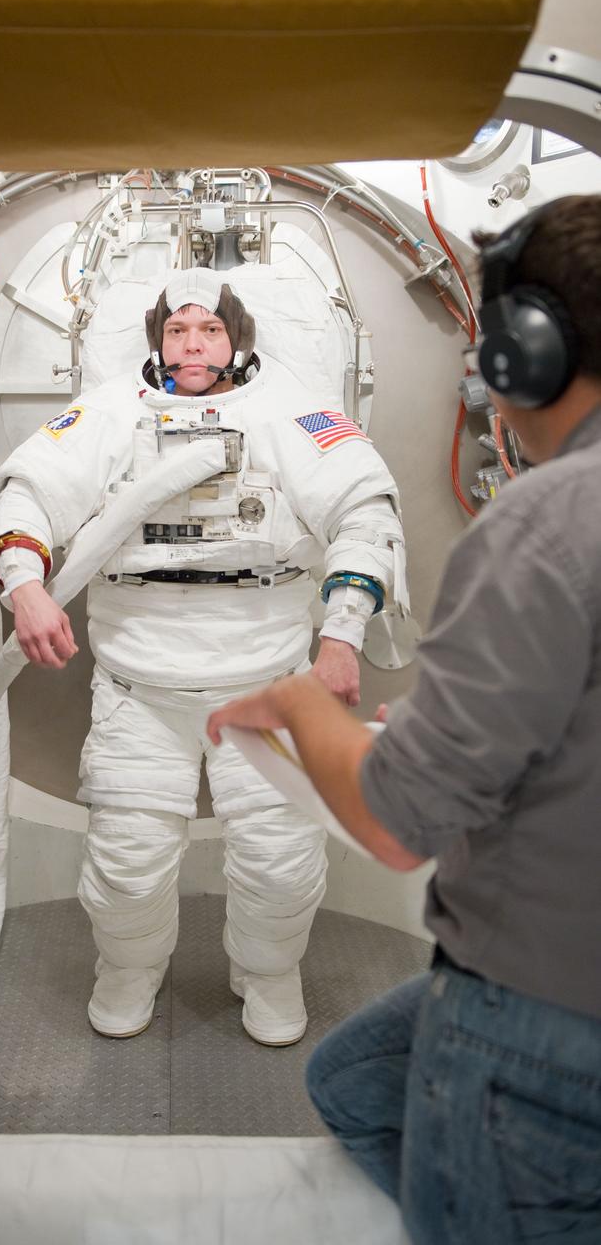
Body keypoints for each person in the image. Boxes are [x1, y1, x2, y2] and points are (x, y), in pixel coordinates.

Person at [207, 195, 601, 1241]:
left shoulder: (549, 521)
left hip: (543, 1012)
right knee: (353, 1077)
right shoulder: (114, 410)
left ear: (526, 353)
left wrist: (302, 687)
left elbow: (393, 824)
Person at [0, 267, 406, 1045]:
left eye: (208, 330)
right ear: (156, 339)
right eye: (177, 330)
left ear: (234, 338)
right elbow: (28, 492)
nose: (191, 343)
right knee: (126, 865)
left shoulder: (292, 411)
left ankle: (269, 975)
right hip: (141, 685)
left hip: (270, 678)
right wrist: (25, 583)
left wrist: (342, 628)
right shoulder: (109, 411)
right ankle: (128, 969)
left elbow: (364, 508)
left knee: (281, 862)